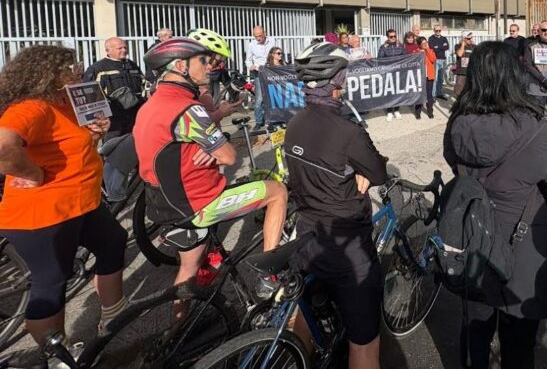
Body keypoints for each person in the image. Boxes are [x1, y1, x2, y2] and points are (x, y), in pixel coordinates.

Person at [443, 41, 547, 369]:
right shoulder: (538, 128)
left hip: (474, 237)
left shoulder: (458, 122)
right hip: (522, 239)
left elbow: (453, 163)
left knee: (474, 331)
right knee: (519, 346)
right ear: (515, 76)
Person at [134, 38, 288, 296]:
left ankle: (177, 332)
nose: (210, 67)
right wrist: (214, 147)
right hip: (198, 203)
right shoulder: (188, 109)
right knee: (278, 192)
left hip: (163, 203)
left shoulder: (152, 104)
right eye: (203, 61)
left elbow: (174, 143)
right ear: (181, 66)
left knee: (188, 270)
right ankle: (268, 275)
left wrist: (209, 137)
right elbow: (228, 157)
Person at [0, 46, 128, 348]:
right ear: (48, 73)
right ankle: (57, 352)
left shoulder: (65, 101)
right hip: (46, 214)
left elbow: (71, 145)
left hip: (81, 204)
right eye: (71, 66)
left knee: (113, 242)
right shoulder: (33, 107)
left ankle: (112, 316)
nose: (79, 69)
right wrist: (34, 174)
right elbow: (4, 149)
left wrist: (95, 134)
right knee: (51, 285)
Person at [284, 42, 388, 369]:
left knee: (308, 312)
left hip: (306, 237)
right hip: (347, 247)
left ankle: (300, 359)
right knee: (366, 341)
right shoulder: (348, 131)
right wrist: (362, 171)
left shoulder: (294, 123)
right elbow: (378, 171)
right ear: (338, 80)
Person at [83, 36, 146, 142]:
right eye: (120, 48)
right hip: (113, 119)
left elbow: (143, 85)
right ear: (108, 50)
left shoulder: (132, 65)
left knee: (133, 145)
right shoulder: (97, 68)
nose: (124, 50)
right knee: (112, 147)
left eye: (125, 47)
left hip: (134, 116)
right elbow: (90, 95)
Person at [187, 28, 241, 127]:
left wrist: (220, 111)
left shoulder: (199, 89)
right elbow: (199, 126)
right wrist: (221, 113)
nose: (211, 67)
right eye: (215, 61)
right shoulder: (184, 93)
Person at [245, 26, 274, 130]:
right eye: (255, 36)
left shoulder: (273, 41)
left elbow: (278, 54)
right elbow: (248, 60)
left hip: (271, 73)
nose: (258, 38)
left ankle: (271, 121)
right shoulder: (251, 45)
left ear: (264, 33)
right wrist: (251, 66)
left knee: (271, 98)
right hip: (259, 73)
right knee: (259, 99)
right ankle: (259, 121)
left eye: (260, 36)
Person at [378, 29, 407, 120]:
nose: (393, 38)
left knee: (398, 92)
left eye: (395, 36)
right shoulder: (383, 47)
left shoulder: (401, 46)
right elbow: (380, 59)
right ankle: (390, 111)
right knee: (389, 92)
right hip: (388, 73)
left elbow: (406, 57)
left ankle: (397, 110)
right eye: (391, 36)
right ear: (388, 37)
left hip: (399, 73)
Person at [415, 36, 436, 119]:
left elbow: (433, 59)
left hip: (429, 76)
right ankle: (417, 112)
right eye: (423, 43)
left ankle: (430, 111)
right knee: (419, 94)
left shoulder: (430, 50)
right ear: (419, 44)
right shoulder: (416, 52)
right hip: (420, 77)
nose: (425, 44)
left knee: (429, 94)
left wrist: (427, 50)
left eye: (426, 42)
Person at [428, 25, 450, 99]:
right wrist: (441, 46)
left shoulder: (444, 38)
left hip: (443, 60)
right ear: (434, 30)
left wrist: (437, 47)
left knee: (441, 78)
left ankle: (439, 93)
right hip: (435, 60)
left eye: (439, 30)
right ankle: (433, 95)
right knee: (435, 78)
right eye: (436, 30)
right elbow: (432, 48)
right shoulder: (431, 38)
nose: (438, 32)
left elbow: (447, 47)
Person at [454, 31, 474, 97]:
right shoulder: (458, 46)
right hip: (461, 73)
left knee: (471, 92)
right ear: (463, 39)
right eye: (468, 38)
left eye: (471, 38)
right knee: (459, 92)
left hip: (471, 73)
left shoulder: (473, 47)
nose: (470, 39)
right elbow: (459, 54)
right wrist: (462, 44)